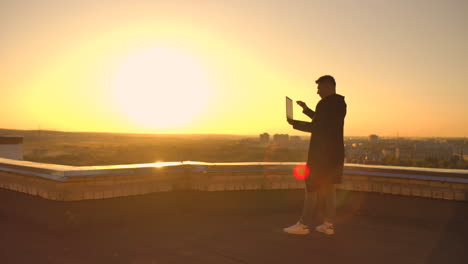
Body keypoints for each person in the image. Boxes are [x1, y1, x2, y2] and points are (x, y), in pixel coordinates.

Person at [284, 75, 347, 235]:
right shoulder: (340, 103)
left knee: (311, 187)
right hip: (335, 155)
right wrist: (305, 109)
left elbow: (317, 127)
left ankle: (303, 225)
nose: (317, 92)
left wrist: (294, 123)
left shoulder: (324, 103)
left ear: (327, 87)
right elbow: (323, 122)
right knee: (329, 189)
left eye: (319, 88)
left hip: (321, 155)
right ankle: (328, 225)